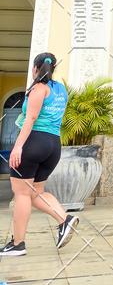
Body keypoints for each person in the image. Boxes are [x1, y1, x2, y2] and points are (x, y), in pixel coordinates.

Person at [0, 53, 78, 256]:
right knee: (36, 192)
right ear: (52, 69)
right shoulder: (60, 89)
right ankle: (65, 220)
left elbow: (31, 118)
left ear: (35, 68)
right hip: (53, 145)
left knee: (22, 193)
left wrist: (17, 147)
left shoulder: (37, 89)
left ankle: (17, 244)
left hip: (33, 142)